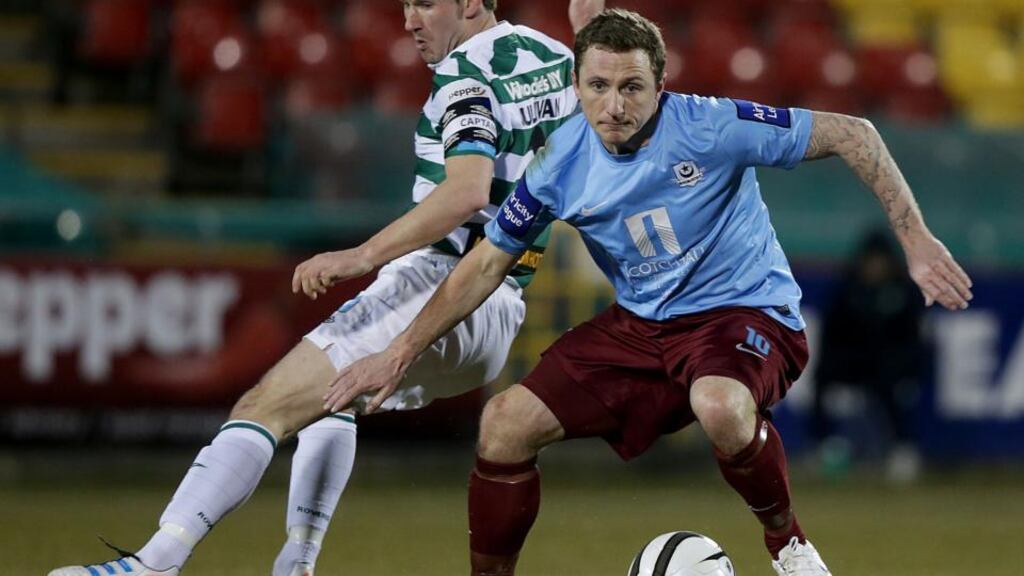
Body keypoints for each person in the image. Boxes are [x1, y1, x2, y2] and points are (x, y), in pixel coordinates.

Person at [323, 9, 974, 576]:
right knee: (502, 426)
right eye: (598, 86)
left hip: (743, 313)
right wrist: (399, 351)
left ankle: (790, 547)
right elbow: (485, 263)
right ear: (575, 87)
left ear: (661, 87)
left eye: (632, 87)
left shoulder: (711, 126)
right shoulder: (557, 164)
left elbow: (854, 133)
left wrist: (914, 238)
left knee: (719, 404)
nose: (614, 106)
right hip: (641, 327)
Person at [49, 1, 602, 575]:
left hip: (441, 282)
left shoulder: (465, 74)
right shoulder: (555, 57)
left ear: (470, 2)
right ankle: (298, 561)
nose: (410, 20)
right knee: (334, 401)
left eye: (425, 4)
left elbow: (465, 192)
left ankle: (151, 565)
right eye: (405, 4)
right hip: (499, 313)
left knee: (265, 406)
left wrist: (360, 255)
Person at [812, 228, 927, 483]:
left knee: (892, 387)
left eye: (880, 261)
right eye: (870, 261)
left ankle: (902, 450)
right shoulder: (847, 290)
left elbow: (913, 339)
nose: (875, 267)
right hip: (854, 363)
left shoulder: (903, 292)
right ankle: (826, 445)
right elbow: (832, 336)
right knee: (822, 378)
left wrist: (902, 365)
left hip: (890, 366)